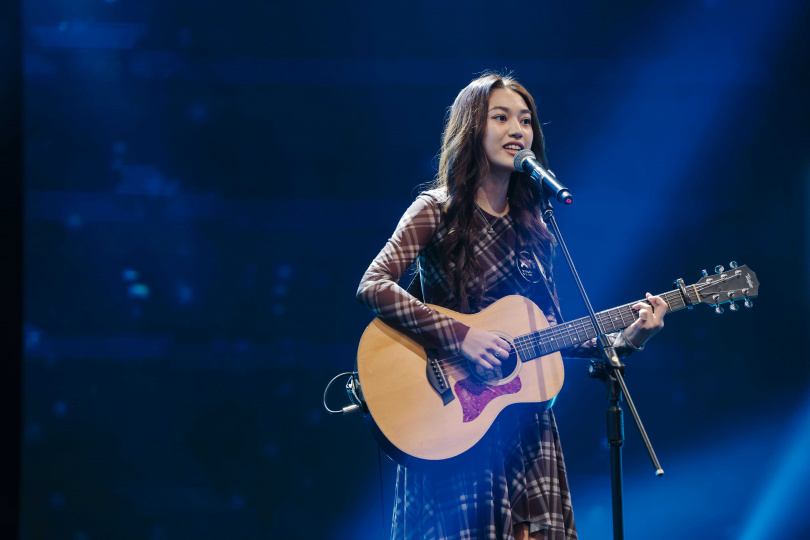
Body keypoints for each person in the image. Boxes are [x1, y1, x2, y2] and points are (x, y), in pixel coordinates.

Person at [356, 73, 666, 540]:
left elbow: (556, 331)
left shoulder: (535, 227)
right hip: (455, 419)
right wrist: (463, 337)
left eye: (525, 120)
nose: (517, 130)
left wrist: (631, 336)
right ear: (471, 129)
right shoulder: (436, 209)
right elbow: (374, 284)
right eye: (500, 117)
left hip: (524, 425)